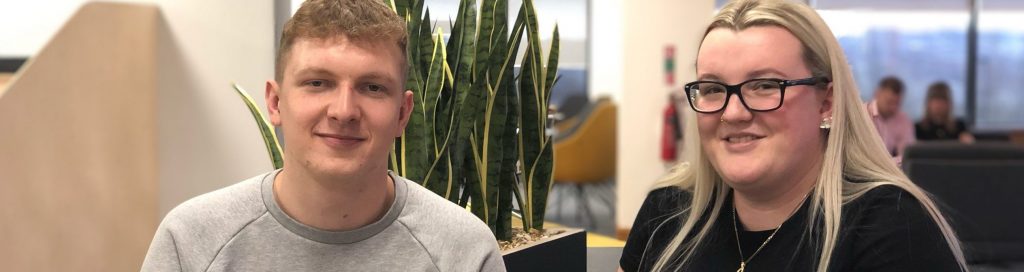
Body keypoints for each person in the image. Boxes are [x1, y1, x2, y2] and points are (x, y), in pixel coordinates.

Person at [141, 0, 505, 271]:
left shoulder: (464, 252)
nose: (343, 110)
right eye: (318, 83)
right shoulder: (191, 241)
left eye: (373, 87)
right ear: (275, 101)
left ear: (402, 114)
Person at [618, 0, 967, 271]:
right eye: (712, 88)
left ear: (826, 102)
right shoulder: (668, 210)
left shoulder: (892, 229)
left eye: (765, 85)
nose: (733, 113)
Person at [867, 76, 915, 157]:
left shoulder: (903, 120)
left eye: (897, 103)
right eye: (889, 102)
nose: (893, 108)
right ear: (877, 94)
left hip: (890, 167)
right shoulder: (864, 115)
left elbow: (906, 154)